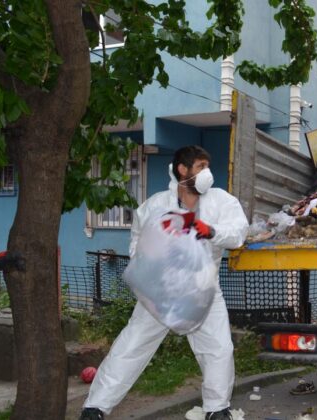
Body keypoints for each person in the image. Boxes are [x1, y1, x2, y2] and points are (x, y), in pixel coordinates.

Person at [80, 146, 249, 420]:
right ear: (183, 169)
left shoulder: (221, 201)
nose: (207, 173)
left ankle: (217, 410)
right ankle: (95, 407)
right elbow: (137, 240)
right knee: (133, 344)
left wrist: (212, 231)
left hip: (203, 289)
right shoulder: (156, 205)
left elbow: (238, 232)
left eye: (208, 166)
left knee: (218, 348)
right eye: (200, 166)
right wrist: (147, 267)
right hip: (161, 291)